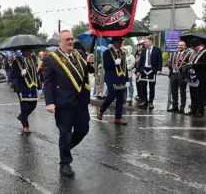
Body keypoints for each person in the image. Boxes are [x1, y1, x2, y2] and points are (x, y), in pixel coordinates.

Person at [43, 30, 94, 177]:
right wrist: (50, 102)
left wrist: (90, 62)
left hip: (81, 101)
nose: (70, 41)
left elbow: (88, 71)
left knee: (83, 129)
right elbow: (48, 83)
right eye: (67, 40)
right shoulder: (51, 59)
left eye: (71, 39)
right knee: (64, 132)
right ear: (60, 43)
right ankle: (65, 163)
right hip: (63, 102)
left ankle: (65, 148)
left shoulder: (79, 53)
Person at [97, 37, 128, 125]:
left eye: (121, 41)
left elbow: (125, 67)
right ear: (114, 42)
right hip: (111, 77)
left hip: (121, 77)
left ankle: (118, 117)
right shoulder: (107, 52)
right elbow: (106, 65)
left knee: (120, 97)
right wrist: (114, 63)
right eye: (119, 41)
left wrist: (126, 79)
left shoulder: (122, 53)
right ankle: (101, 110)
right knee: (112, 95)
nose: (120, 43)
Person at [12, 48, 42, 134]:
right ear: (24, 51)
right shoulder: (17, 60)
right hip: (22, 86)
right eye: (29, 51)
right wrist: (20, 73)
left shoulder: (32, 60)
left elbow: (35, 74)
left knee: (33, 105)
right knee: (24, 107)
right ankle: (25, 126)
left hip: (32, 85)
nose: (30, 52)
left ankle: (22, 116)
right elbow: (13, 74)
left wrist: (39, 87)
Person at [136, 36, 162, 110]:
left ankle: (151, 102)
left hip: (152, 70)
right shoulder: (143, 51)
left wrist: (159, 70)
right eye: (144, 42)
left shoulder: (157, 50)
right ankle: (145, 101)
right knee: (142, 86)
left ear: (150, 42)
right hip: (143, 70)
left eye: (145, 42)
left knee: (151, 87)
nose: (144, 44)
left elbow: (160, 61)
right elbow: (140, 62)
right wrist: (138, 71)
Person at [167, 41, 190, 113]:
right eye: (179, 45)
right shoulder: (174, 53)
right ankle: (175, 106)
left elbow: (189, 67)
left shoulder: (188, 54)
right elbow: (170, 63)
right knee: (174, 91)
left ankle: (182, 107)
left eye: (181, 45)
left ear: (185, 46)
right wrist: (170, 66)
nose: (179, 46)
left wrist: (187, 77)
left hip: (182, 74)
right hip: (173, 74)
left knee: (182, 91)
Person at [187, 38, 206, 118]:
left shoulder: (204, 53)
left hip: (201, 76)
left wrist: (194, 65)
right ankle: (193, 109)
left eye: (192, 47)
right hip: (192, 75)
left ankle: (200, 111)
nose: (192, 48)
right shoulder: (194, 53)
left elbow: (204, 64)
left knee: (200, 94)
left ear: (197, 46)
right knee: (193, 94)